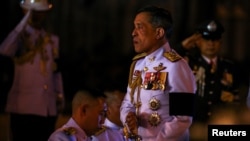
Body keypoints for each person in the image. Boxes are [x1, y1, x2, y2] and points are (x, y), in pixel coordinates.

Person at [120, 5, 196, 141]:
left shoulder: (176, 66)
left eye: (140, 27)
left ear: (159, 33)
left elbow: (183, 118)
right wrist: (128, 117)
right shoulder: (139, 64)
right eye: (134, 26)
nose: (133, 33)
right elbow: (127, 102)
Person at [0, 0, 64, 141]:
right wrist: (24, 22)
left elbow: (55, 72)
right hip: (23, 107)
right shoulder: (19, 36)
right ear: (25, 12)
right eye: (34, 12)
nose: (37, 16)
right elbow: (4, 50)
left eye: (40, 12)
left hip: (47, 107)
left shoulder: (52, 40)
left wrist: (59, 96)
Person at [175, 19, 240, 124]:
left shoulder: (230, 67)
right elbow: (163, 63)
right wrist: (182, 46)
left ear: (220, 42)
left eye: (215, 39)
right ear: (198, 42)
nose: (211, 44)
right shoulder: (187, 64)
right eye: (206, 39)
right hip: (194, 126)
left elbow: (236, 99)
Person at [48, 88, 124, 141]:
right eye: (101, 114)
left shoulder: (90, 137)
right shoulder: (61, 138)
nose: (103, 121)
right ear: (84, 110)